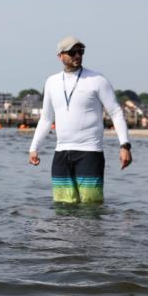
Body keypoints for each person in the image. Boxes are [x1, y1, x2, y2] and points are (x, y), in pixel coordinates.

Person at [28, 36, 132, 203]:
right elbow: (46, 118)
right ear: (60, 56)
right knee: (63, 208)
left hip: (90, 153)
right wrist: (34, 148)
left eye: (80, 51)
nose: (77, 55)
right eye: (72, 52)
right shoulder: (51, 82)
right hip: (61, 153)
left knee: (91, 208)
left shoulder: (97, 80)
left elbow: (116, 113)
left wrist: (124, 146)